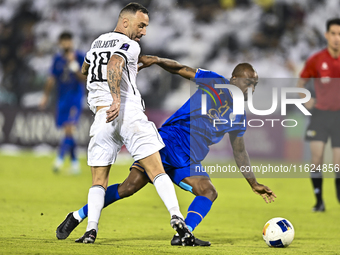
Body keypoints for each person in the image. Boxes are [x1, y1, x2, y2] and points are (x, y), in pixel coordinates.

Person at [56, 55, 276, 246]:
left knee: (208, 191)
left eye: (254, 84)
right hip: (166, 142)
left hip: (187, 159)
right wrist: (158, 61)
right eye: (249, 82)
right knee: (128, 187)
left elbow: (239, 151)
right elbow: (181, 69)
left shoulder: (239, 115)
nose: (252, 88)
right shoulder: (215, 82)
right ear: (234, 79)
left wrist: (253, 183)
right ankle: (77, 216)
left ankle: (185, 233)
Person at [75, 3, 193, 244]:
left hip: (101, 117)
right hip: (127, 112)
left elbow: (85, 69)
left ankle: (91, 230)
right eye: (141, 25)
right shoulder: (129, 44)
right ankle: (177, 217)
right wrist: (117, 98)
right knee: (156, 170)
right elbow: (116, 63)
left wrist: (100, 94)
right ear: (125, 22)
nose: (144, 32)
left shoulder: (97, 43)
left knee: (99, 180)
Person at [297, 18, 340, 212]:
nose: (337, 38)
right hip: (320, 115)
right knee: (317, 159)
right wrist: (306, 100)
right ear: (326, 35)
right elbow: (300, 84)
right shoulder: (317, 59)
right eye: (333, 34)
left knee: (338, 163)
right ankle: (319, 202)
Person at [40, 31, 85, 174]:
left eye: (68, 40)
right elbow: (51, 79)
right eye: (63, 41)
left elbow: (84, 78)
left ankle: (59, 160)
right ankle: (75, 164)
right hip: (62, 99)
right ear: (60, 43)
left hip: (75, 98)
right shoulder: (57, 60)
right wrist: (45, 96)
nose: (66, 43)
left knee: (69, 128)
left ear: (72, 42)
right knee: (68, 132)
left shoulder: (79, 57)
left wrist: (74, 65)